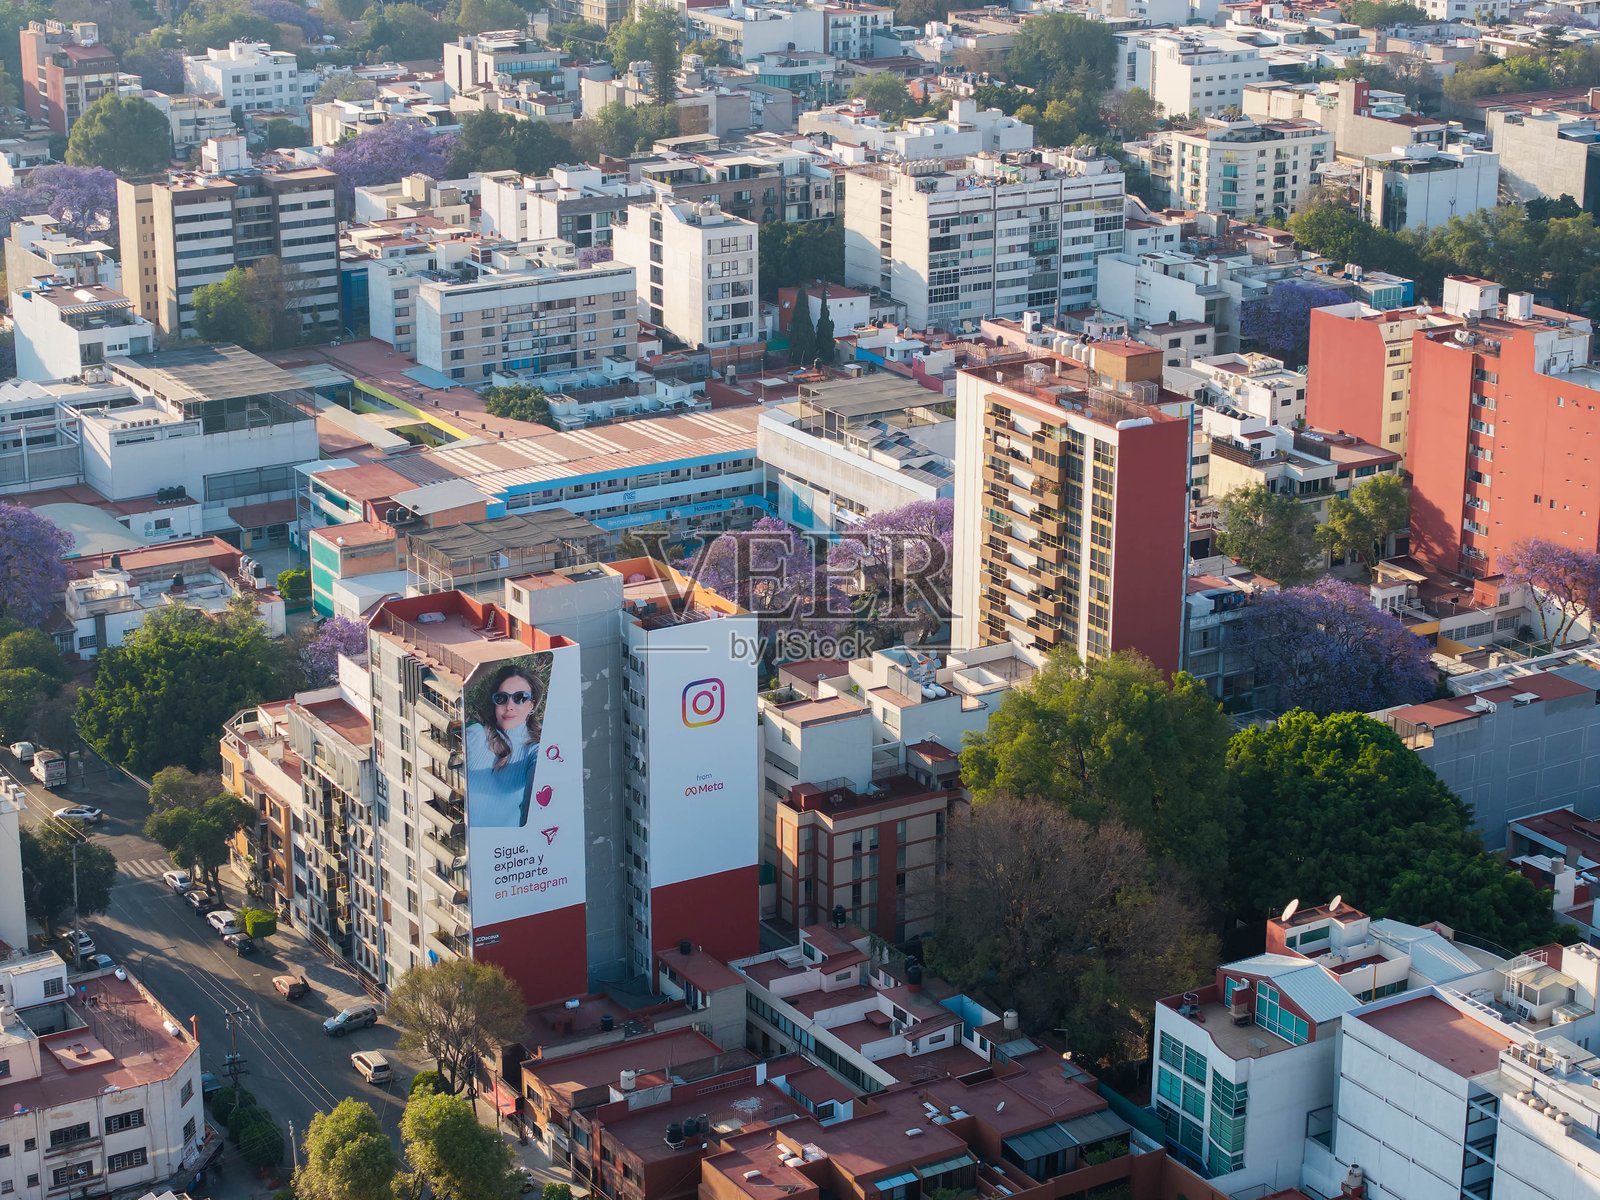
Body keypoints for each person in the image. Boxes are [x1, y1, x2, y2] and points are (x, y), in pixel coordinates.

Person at [464, 661, 544, 828]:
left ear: (532, 705)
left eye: (520, 698)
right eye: (502, 698)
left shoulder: (535, 750)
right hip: (464, 843)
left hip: (504, 848)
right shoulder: (477, 734)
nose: (509, 706)